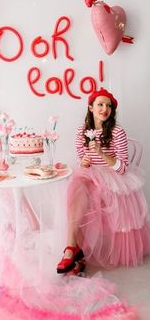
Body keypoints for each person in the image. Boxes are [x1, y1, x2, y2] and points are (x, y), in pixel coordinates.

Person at [57, 88, 150, 274]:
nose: (104, 109)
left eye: (108, 106)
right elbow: (81, 160)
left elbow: (122, 168)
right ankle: (71, 247)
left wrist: (101, 153)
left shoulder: (117, 132)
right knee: (76, 188)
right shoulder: (81, 132)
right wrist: (83, 161)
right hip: (90, 176)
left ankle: (73, 253)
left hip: (113, 178)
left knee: (87, 193)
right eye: (100, 104)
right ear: (90, 107)